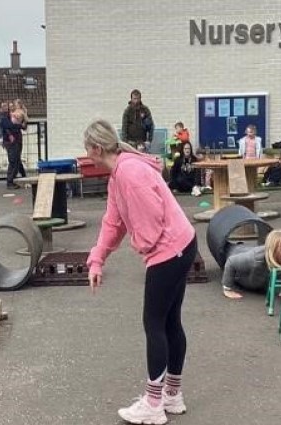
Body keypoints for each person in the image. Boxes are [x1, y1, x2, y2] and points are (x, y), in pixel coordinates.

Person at [83, 118, 197, 425]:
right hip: (181, 243)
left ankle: (153, 403)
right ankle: (172, 396)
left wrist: (145, 247)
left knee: (154, 323)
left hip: (170, 250)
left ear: (96, 148)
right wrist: (97, 259)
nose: (87, 157)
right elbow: (113, 221)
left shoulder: (129, 173)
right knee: (170, 321)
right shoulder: (118, 174)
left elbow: (151, 219)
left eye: (87, 151)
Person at [220, 229, 281, 300]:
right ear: (273, 250)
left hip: (246, 250)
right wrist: (227, 289)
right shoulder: (256, 260)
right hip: (230, 252)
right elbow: (231, 262)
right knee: (225, 248)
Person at [0, 101, 25, 189]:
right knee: (13, 161)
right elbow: (10, 125)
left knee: (17, 161)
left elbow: (15, 124)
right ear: (0, 109)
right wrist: (20, 125)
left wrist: (21, 124)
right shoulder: (3, 117)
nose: (6, 107)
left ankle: (13, 180)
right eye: (4, 106)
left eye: (7, 106)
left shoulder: (9, 115)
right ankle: (10, 182)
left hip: (15, 141)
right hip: (10, 143)